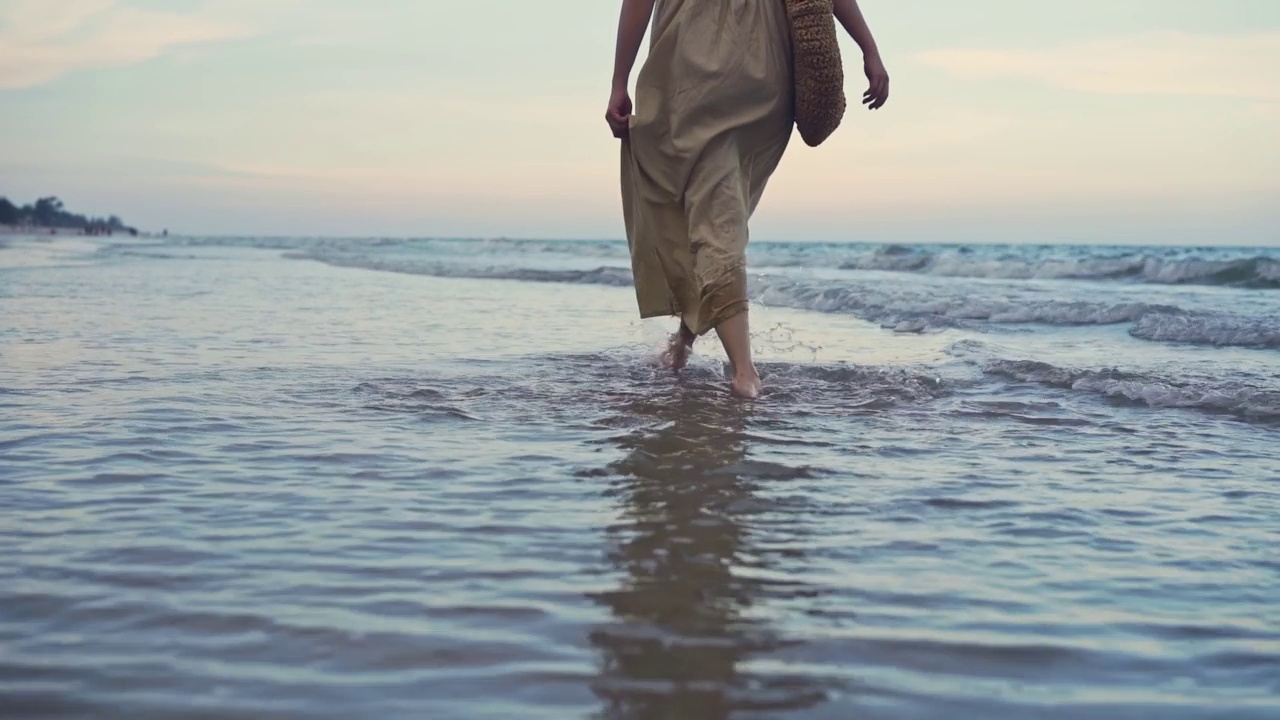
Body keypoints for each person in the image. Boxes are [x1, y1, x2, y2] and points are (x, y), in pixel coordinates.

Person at [607, 0, 889, 398]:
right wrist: (869, 50)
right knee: (718, 210)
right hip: (768, 65)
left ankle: (744, 374)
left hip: (693, 57)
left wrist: (619, 81)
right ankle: (684, 342)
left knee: (704, 209)